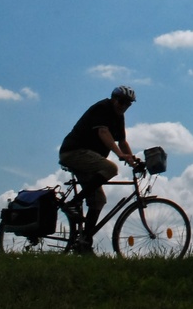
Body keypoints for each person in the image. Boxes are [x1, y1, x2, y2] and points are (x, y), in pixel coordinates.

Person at [59, 85, 143, 252]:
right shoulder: (102, 108)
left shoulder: (119, 116)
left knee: (98, 201)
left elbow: (122, 141)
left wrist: (133, 161)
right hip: (74, 152)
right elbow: (103, 132)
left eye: (128, 104)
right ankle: (73, 203)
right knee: (110, 168)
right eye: (121, 102)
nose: (124, 106)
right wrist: (120, 155)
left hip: (86, 157)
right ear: (113, 98)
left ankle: (84, 243)